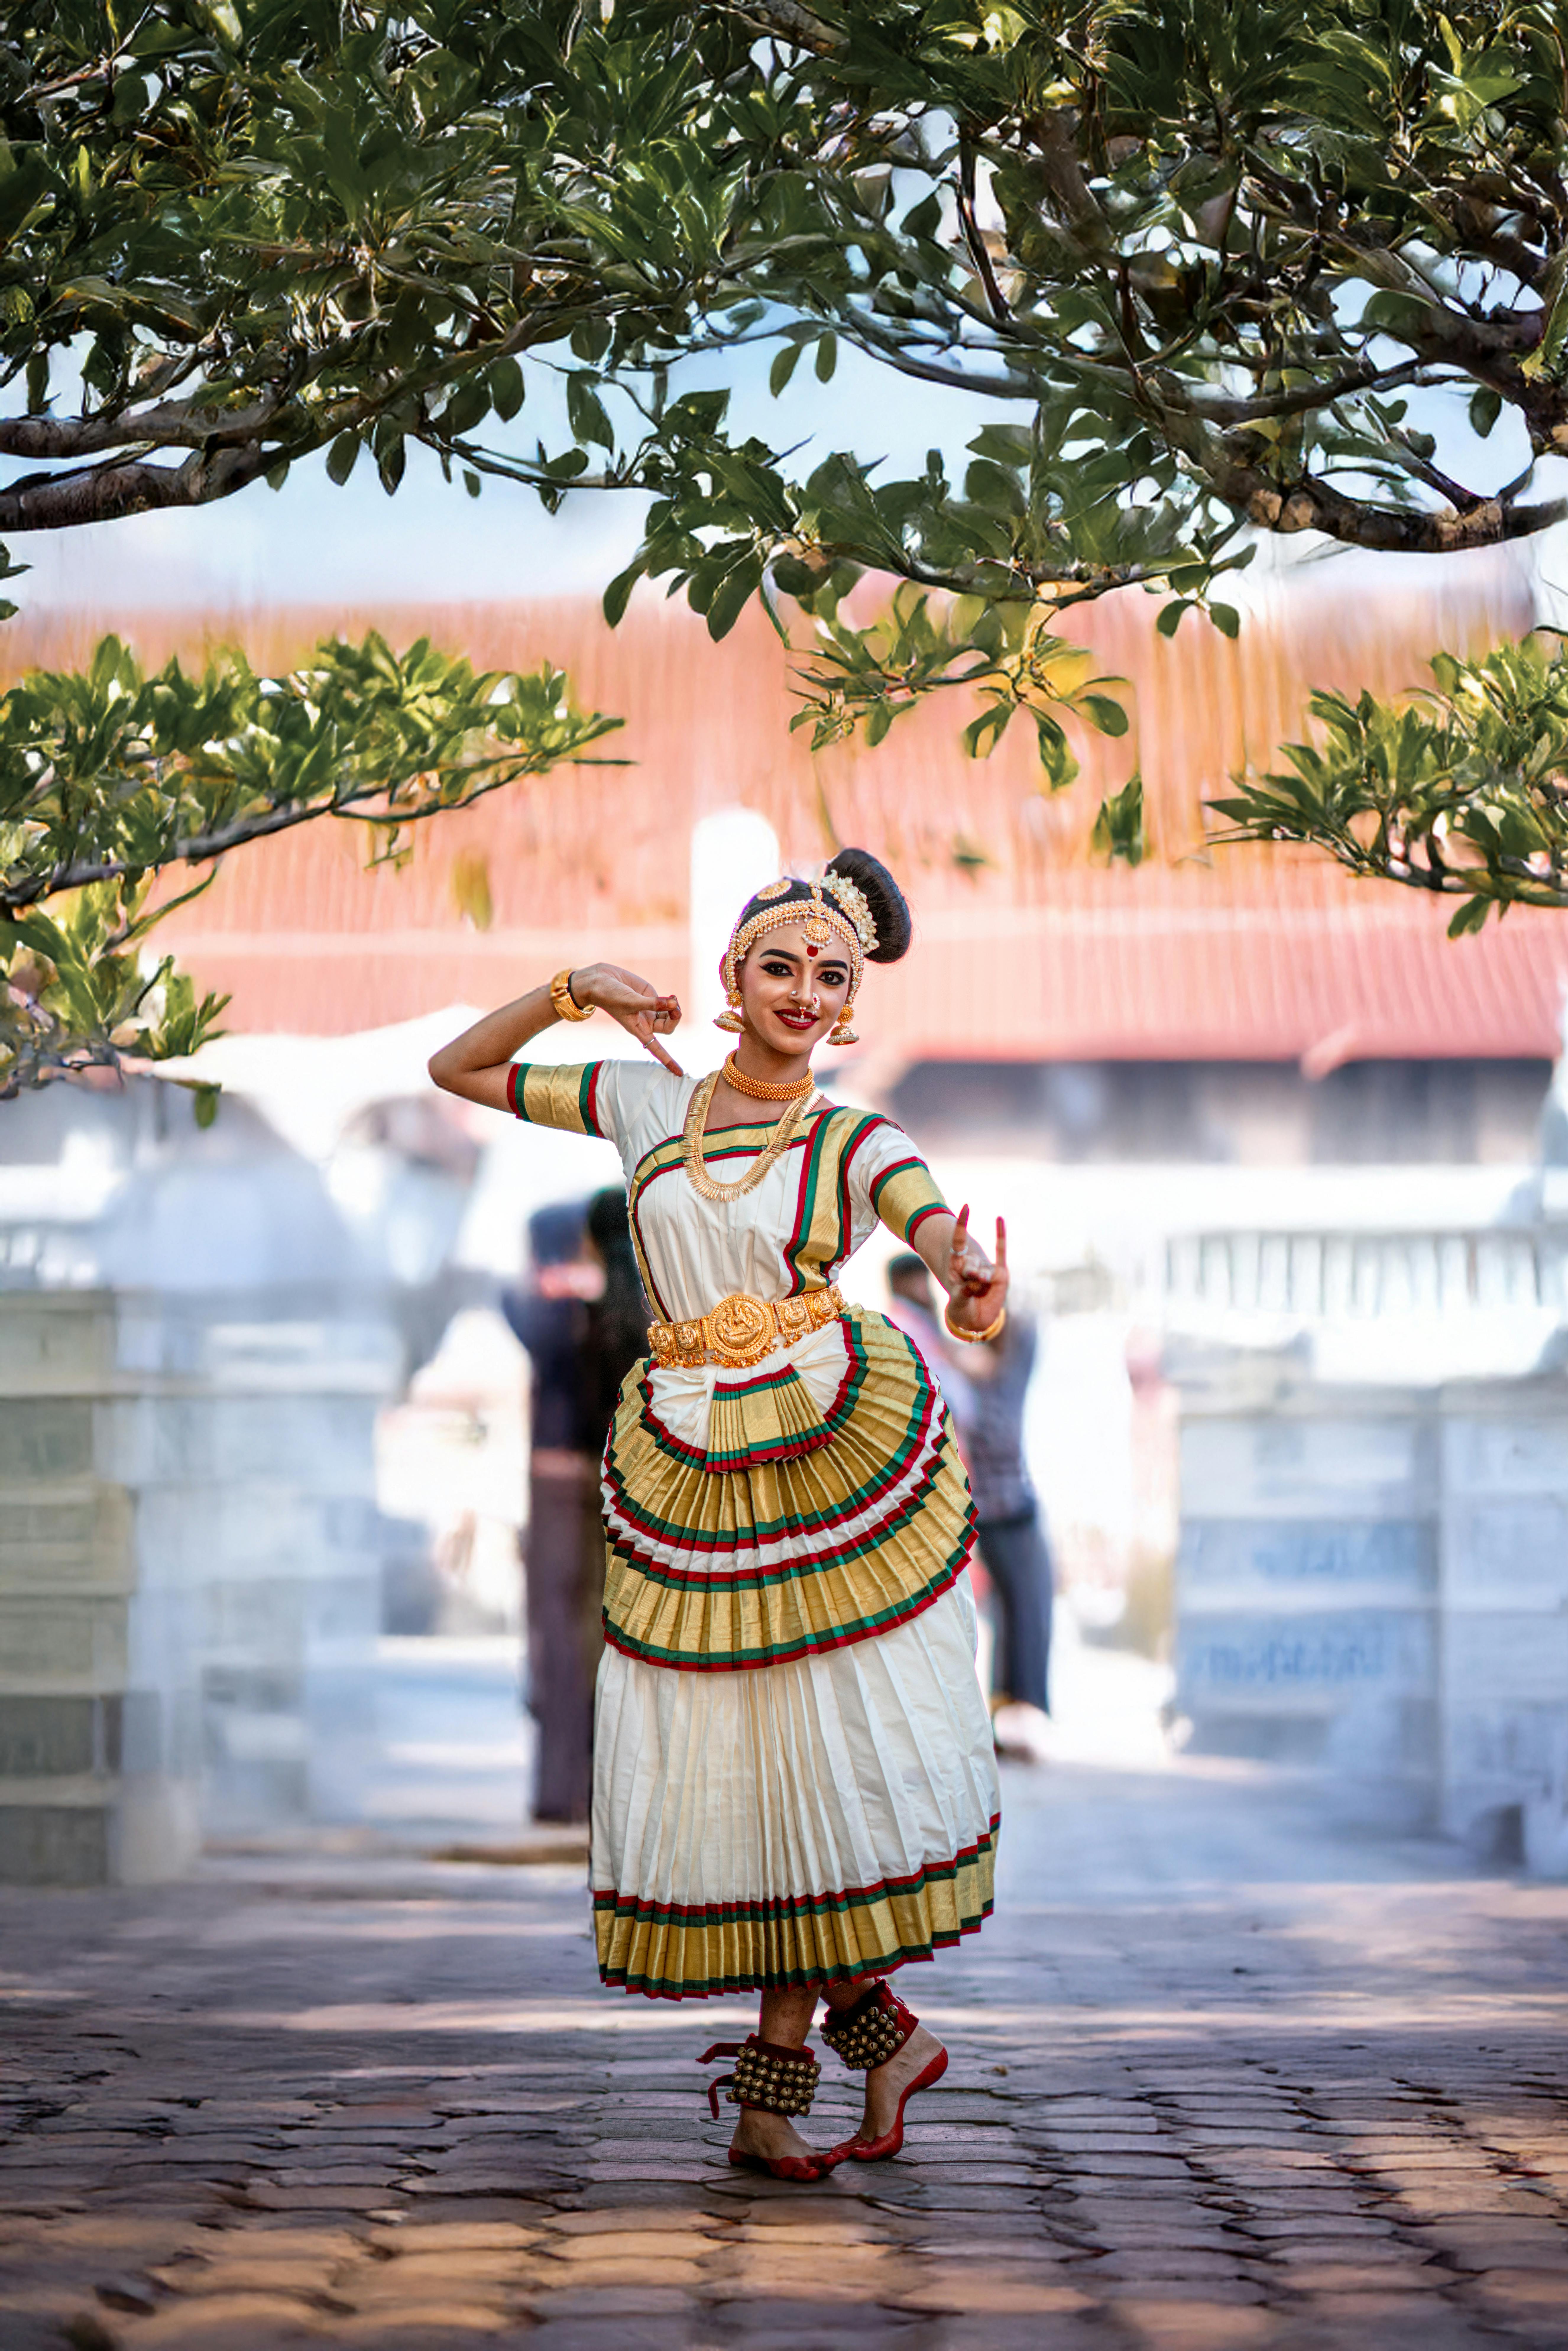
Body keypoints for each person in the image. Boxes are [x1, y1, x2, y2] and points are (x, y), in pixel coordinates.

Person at [430, 850, 1004, 2182]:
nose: (806, 991)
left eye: (833, 977)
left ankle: (776, 2091)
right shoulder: (646, 1102)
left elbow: (939, 1242)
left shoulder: (858, 1137)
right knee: (735, 1753)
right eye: (782, 965)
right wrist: (571, 989)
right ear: (730, 981)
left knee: (801, 1750)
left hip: (815, 1450)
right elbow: (458, 1072)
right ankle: (873, 2034)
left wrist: (973, 1285)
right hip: (690, 1446)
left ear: (851, 1006)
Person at [887, 1252, 1055, 1764]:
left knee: (1022, 1615)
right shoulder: (951, 1353)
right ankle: (1002, 1723)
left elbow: (993, 1344)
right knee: (1013, 1614)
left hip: (1002, 1504)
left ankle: (1012, 1720)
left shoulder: (1003, 1358)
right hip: (989, 1506)